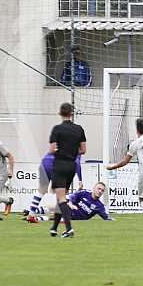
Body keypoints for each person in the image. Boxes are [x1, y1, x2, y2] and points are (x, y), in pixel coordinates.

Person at [49, 102, 87, 238]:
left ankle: (69, 229)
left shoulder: (57, 129)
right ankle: (54, 228)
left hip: (60, 164)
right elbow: (83, 150)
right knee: (62, 197)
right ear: (72, 113)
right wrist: (71, 151)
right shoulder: (79, 129)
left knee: (61, 198)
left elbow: (52, 149)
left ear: (60, 113)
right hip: (72, 165)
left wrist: (62, 152)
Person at [22, 153, 82, 220]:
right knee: (64, 192)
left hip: (45, 162)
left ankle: (31, 215)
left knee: (41, 191)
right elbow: (77, 162)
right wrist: (80, 179)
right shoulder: (76, 144)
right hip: (57, 164)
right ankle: (63, 218)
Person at [26, 182, 115, 223]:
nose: (100, 191)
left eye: (102, 190)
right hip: (69, 210)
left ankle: (34, 218)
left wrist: (110, 220)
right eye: (98, 188)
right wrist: (71, 204)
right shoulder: (84, 193)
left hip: (75, 219)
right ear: (94, 188)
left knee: (55, 216)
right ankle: (32, 213)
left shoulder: (99, 206)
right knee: (56, 208)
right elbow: (71, 197)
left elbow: (105, 218)